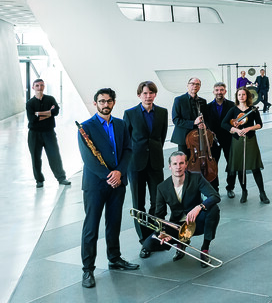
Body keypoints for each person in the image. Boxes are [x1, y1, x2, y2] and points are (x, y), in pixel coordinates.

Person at [78, 88, 138, 288]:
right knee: (91, 228)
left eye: (109, 101)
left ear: (113, 103)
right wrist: (108, 176)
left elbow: (128, 150)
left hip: (118, 182)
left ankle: (114, 258)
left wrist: (119, 172)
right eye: (101, 101)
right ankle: (88, 270)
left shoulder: (121, 124)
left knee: (114, 223)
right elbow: (88, 159)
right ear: (95, 103)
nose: (105, 104)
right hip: (96, 185)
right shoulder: (86, 127)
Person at [140, 151, 221, 268]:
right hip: (177, 225)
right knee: (148, 245)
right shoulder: (162, 187)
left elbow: (215, 196)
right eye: (175, 164)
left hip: (196, 222)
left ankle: (204, 249)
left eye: (181, 163)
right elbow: (159, 214)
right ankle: (181, 241)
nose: (178, 167)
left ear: (186, 164)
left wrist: (199, 207)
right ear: (169, 166)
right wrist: (162, 232)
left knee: (213, 209)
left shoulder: (196, 177)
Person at [123, 81, 168, 243]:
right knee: (138, 203)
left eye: (151, 93)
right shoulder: (130, 114)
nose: (148, 96)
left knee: (157, 202)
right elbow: (125, 140)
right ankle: (144, 240)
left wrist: (153, 151)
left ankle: (155, 234)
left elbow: (161, 138)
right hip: (135, 164)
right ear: (139, 95)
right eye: (145, 93)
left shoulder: (162, 112)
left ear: (155, 94)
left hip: (155, 162)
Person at [222, 87, 269, 204]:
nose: (241, 97)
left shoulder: (253, 109)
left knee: (255, 167)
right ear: (237, 97)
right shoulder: (233, 110)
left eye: (243, 94)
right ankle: (244, 191)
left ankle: (262, 192)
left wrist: (249, 128)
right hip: (237, 140)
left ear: (247, 96)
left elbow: (259, 124)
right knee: (240, 168)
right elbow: (223, 124)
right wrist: (235, 130)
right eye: (239, 95)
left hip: (250, 139)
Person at [171, 77, 219, 189]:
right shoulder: (179, 100)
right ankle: (185, 188)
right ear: (187, 85)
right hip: (184, 139)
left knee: (201, 163)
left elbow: (206, 118)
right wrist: (193, 122)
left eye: (198, 84)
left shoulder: (202, 101)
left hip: (199, 138)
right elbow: (176, 119)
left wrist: (204, 124)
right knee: (184, 164)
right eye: (192, 83)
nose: (195, 86)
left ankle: (202, 187)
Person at [25, 78, 70, 188]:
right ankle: (39, 180)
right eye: (37, 86)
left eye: (41, 85)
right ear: (33, 87)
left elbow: (56, 112)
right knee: (35, 157)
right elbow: (32, 119)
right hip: (34, 134)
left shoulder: (50, 99)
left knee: (54, 155)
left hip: (49, 133)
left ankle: (61, 178)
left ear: (44, 87)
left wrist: (39, 114)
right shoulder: (30, 103)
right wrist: (49, 113)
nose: (39, 87)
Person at [205, 83, 236, 197]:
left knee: (232, 165)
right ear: (213, 92)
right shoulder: (207, 107)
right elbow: (205, 123)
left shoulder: (232, 105)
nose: (219, 92)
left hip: (229, 139)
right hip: (213, 140)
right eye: (217, 90)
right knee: (213, 166)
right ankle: (214, 189)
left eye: (221, 90)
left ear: (225, 91)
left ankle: (230, 187)